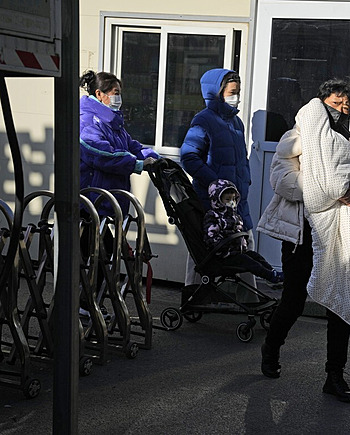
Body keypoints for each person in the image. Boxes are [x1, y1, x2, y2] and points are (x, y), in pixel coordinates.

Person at [256, 79, 350, 403]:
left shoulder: (348, 145)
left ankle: (335, 376)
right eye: (335, 104)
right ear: (321, 102)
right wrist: (327, 188)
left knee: (341, 300)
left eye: (345, 108)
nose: (339, 111)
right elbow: (282, 181)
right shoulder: (293, 139)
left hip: (339, 234)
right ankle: (271, 348)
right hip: (301, 234)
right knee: (294, 300)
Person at [78, 70, 160, 314]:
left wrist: (152, 157)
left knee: (102, 256)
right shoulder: (88, 120)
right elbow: (98, 153)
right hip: (91, 201)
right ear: (99, 94)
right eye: (115, 94)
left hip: (106, 200)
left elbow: (132, 146)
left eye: (119, 94)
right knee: (96, 257)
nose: (118, 98)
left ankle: (88, 304)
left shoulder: (112, 122)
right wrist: (135, 164)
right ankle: (83, 305)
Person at [180, 68, 257, 293]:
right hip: (211, 201)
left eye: (238, 92)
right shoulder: (203, 120)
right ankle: (192, 294)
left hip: (236, 200)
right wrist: (217, 185)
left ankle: (250, 300)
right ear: (217, 93)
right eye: (232, 92)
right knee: (203, 250)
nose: (236, 97)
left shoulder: (237, 123)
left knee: (245, 244)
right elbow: (189, 157)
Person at [203, 179, 283, 283]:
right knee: (247, 261)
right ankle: (270, 276)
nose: (231, 203)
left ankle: (272, 272)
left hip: (236, 252)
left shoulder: (235, 216)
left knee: (255, 256)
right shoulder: (213, 216)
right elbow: (211, 237)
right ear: (217, 200)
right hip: (223, 256)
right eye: (227, 199)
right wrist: (225, 248)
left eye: (233, 199)